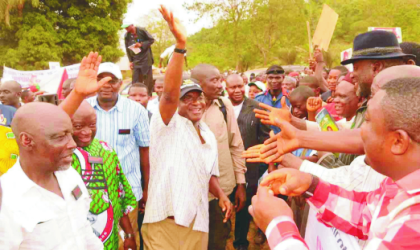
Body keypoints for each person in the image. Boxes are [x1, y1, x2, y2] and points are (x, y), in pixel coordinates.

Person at [251, 77, 420, 249]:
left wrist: (278, 226)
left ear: (399, 142)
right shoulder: (397, 185)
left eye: (368, 122)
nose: (359, 133)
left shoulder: (414, 224)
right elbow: (364, 214)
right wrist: (311, 185)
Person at [143, 6, 232, 250]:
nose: (196, 102)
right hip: (164, 224)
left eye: (199, 97)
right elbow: (170, 96)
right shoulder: (167, 125)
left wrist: (222, 195)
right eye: (188, 98)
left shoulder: (206, 133)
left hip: (197, 221)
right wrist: (180, 45)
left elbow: (208, 175)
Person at [63, 61, 150, 245]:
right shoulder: (81, 107)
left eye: (112, 80)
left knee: (126, 240)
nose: (106, 85)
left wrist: (146, 188)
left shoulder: (136, 110)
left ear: (120, 84)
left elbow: (144, 150)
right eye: (100, 79)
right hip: (84, 198)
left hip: (126, 193)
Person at [0, 102, 103, 249]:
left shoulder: (69, 175)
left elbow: (83, 228)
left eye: (70, 134)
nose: (73, 144)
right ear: (27, 140)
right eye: (60, 137)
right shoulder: (7, 200)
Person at [191, 63, 247, 250]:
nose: (220, 85)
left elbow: (236, 145)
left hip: (222, 191)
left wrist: (240, 183)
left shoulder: (224, 105)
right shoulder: (182, 110)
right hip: (191, 195)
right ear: (198, 83)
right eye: (214, 80)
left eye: (220, 79)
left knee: (218, 241)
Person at [70, 101, 138, 250]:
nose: (87, 132)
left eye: (92, 125)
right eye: (78, 126)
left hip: (108, 240)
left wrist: (128, 234)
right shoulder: (58, 157)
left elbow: (117, 196)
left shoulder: (106, 150)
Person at [226, 74, 270, 249]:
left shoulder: (256, 107)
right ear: (226, 89)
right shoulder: (220, 107)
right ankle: (224, 239)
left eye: (239, 86)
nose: (237, 90)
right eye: (232, 87)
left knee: (243, 209)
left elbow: (265, 139)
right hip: (224, 168)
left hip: (249, 169)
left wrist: (258, 167)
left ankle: (241, 243)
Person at [122, 22, 155, 96]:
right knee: (135, 79)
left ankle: (148, 95)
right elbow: (127, 49)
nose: (126, 29)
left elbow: (151, 40)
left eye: (127, 27)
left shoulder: (141, 30)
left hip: (146, 58)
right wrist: (130, 61)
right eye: (125, 27)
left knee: (147, 79)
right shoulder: (127, 35)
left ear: (132, 25)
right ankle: (134, 94)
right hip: (135, 59)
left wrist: (141, 44)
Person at [255, 65, 290, 133]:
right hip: (264, 139)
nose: (274, 81)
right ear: (266, 78)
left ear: (283, 78)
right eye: (270, 78)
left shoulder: (290, 97)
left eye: (277, 78)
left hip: (285, 137)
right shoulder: (259, 98)